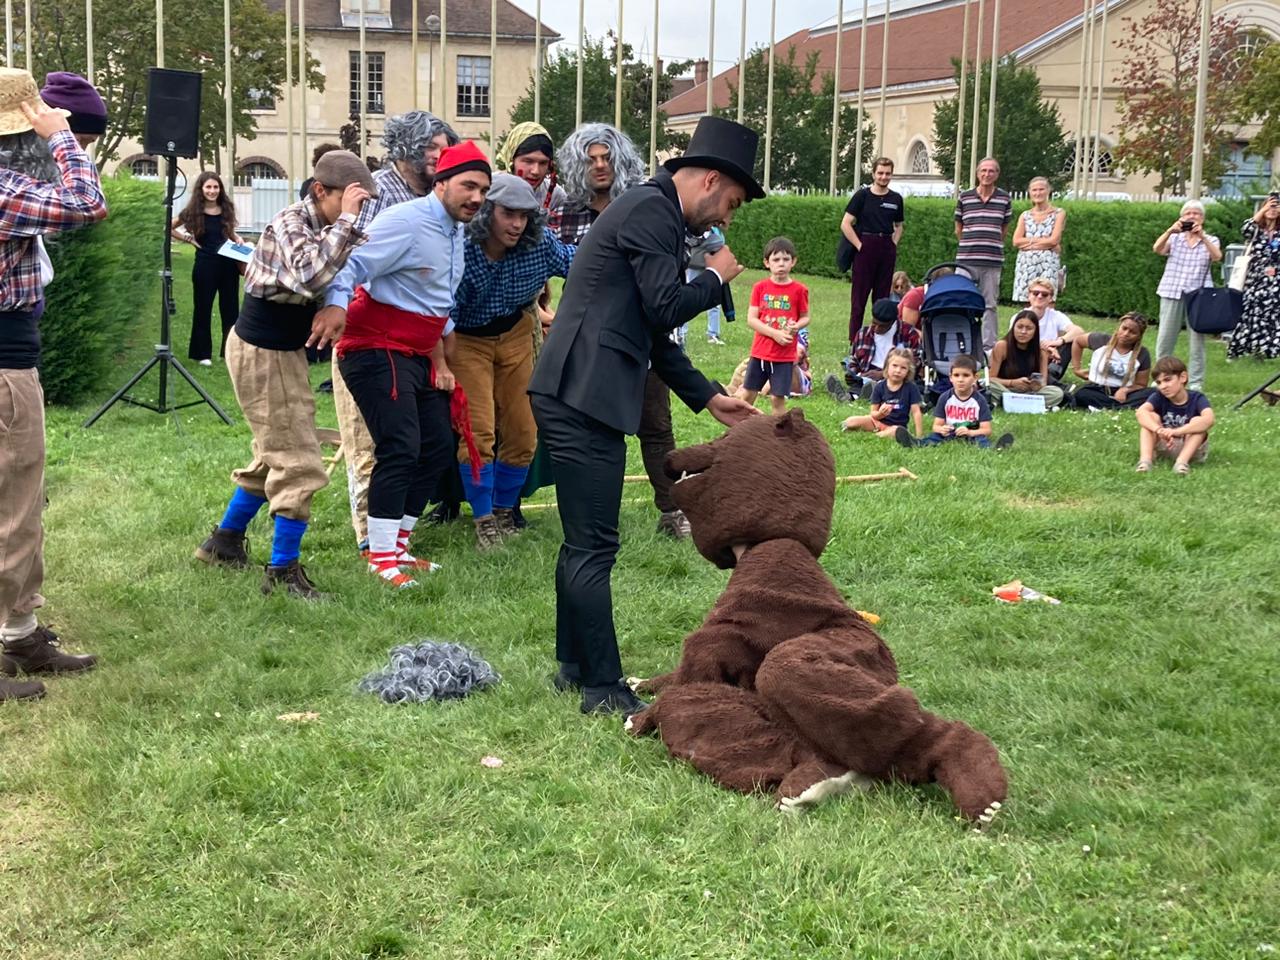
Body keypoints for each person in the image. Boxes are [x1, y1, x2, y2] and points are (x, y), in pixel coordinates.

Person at [527, 115, 761, 716]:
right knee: (594, 545)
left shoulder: (649, 209)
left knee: (583, 541)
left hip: (577, 389)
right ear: (710, 181)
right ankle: (603, 688)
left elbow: (650, 330)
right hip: (582, 393)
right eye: (732, 203)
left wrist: (707, 396)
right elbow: (665, 305)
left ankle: (575, 667)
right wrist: (715, 279)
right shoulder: (652, 211)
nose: (728, 219)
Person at [194, 150, 373, 599]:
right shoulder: (293, 222)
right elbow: (312, 275)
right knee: (297, 460)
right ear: (321, 190)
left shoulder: (326, 225)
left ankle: (224, 542)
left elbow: (345, 268)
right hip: (262, 350)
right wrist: (347, 222)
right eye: (349, 199)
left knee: (275, 449)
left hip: (281, 349)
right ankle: (282, 572)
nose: (356, 210)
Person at [317, 142, 492, 587]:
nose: (476, 197)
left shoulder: (455, 229)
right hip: (373, 345)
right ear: (441, 183)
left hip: (416, 351)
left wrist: (444, 338)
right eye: (468, 186)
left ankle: (398, 546)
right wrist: (335, 306)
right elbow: (350, 265)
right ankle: (379, 558)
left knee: (437, 446)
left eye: (483, 190)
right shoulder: (406, 221)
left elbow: (432, 296)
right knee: (400, 447)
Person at [0, 69, 108, 703]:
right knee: (11, 513)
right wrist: (61, 138)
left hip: (12, 362)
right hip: (4, 369)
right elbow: (86, 204)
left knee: (21, 504)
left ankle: (20, 634)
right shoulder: (4, 190)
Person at [548, 122, 689, 539]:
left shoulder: (643, 205)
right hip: (590, 342)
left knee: (656, 426)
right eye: (591, 159)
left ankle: (672, 510)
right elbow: (545, 264)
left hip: (647, 336)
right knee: (593, 430)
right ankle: (591, 515)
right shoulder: (565, 212)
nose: (599, 165)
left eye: (606, 157)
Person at [332, 111, 458, 554]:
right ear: (406, 147)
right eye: (431, 147)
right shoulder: (379, 191)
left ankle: (395, 539)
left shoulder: (443, 203)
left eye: (445, 149)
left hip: (417, 342)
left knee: (422, 441)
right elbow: (349, 262)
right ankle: (370, 539)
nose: (438, 156)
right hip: (369, 334)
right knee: (369, 441)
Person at [450, 173, 575, 549]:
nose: (517, 224)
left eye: (524, 215)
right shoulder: (460, 246)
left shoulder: (539, 243)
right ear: (487, 212)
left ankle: (504, 511)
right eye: (508, 214)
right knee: (478, 430)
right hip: (466, 338)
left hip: (517, 331)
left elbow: (579, 263)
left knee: (524, 429)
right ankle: (483, 518)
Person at [171, 172, 243, 366]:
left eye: (215, 187)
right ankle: (202, 354)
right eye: (208, 187)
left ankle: (230, 353)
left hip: (228, 265)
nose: (212, 191)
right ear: (201, 189)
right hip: (205, 265)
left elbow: (229, 232)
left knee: (231, 310)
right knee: (203, 308)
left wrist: (237, 238)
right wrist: (187, 238)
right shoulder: (192, 211)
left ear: (220, 189)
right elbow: (168, 227)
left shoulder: (226, 208)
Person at [1154, 200, 1221, 391]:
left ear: (1202, 218)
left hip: (1198, 296)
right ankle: (1162, 376)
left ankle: (1196, 381)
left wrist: (1202, 237)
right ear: (1182, 217)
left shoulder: (1211, 239)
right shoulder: (1175, 238)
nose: (1192, 216)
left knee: (1197, 340)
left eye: (1196, 213)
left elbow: (1217, 257)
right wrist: (1170, 231)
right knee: (1165, 337)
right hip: (1171, 290)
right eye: (1188, 213)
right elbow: (1157, 249)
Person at [742, 236, 810, 415]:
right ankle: (740, 427)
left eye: (786, 259)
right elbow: (752, 319)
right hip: (760, 352)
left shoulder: (799, 290)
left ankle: (777, 430)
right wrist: (774, 334)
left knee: (777, 399)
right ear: (767, 263)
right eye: (776, 259)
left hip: (784, 356)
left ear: (793, 262)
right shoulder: (760, 288)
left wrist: (796, 326)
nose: (781, 264)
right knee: (748, 394)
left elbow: (805, 317)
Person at [842, 157, 905, 340]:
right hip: (865, 247)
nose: (884, 177)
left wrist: (893, 243)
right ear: (873, 174)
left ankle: (880, 337)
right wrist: (859, 245)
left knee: (882, 299)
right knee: (859, 299)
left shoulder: (896, 198)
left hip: (886, 248)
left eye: (887, 173)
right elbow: (846, 223)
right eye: (880, 173)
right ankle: (855, 340)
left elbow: (899, 225)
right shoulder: (862, 196)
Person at [895, 354, 1013, 449]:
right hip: (950, 433)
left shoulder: (979, 400)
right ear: (950, 377)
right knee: (935, 437)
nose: (960, 380)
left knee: (981, 439)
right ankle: (915, 443)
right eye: (956, 375)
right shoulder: (945, 398)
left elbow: (987, 430)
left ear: (975, 378)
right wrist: (941, 429)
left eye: (966, 375)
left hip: (971, 434)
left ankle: (995, 448)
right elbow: (936, 426)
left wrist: (970, 432)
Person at [955, 157, 1012, 351]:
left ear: (997, 174)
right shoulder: (965, 197)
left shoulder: (1004, 199)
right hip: (966, 259)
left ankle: (988, 347)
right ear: (977, 173)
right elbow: (958, 228)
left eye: (991, 171)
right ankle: (962, 341)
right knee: (962, 302)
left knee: (990, 305)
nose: (987, 174)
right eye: (983, 170)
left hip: (992, 261)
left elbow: (1004, 229)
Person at [830, 297, 924, 401]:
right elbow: (854, 360)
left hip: (893, 377)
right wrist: (854, 374)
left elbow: (915, 364)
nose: (877, 328)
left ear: (893, 322)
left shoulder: (908, 334)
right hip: (866, 376)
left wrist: (884, 374)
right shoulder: (863, 333)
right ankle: (850, 395)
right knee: (861, 384)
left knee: (891, 386)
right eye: (874, 323)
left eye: (882, 326)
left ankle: (859, 395)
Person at [1134, 356, 1214, 475]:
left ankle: (1181, 463)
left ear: (1183, 377)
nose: (1163, 386)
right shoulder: (1158, 396)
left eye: (1167, 380)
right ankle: (1145, 462)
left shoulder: (1197, 398)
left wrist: (1176, 432)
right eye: (1159, 382)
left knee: (1198, 422)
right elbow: (1141, 412)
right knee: (1151, 418)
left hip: (1190, 448)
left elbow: (1209, 419)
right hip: (1164, 444)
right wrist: (1158, 429)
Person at [1226, 193, 1280, 361]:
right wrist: (1264, 209)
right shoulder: (1257, 230)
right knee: (1251, 312)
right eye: (1270, 206)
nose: (1272, 210)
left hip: (1276, 280)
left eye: (1276, 207)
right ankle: (1243, 349)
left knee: (1272, 314)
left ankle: (1267, 351)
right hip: (1255, 279)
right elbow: (1246, 229)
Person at [1066, 312, 1155, 410]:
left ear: (1139, 336)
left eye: (1132, 332)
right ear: (1119, 327)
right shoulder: (1101, 340)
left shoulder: (1142, 353)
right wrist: (1077, 369)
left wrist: (1124, 390)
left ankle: (1106, 406)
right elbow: (1078, 341)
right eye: (1124, 328)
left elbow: (1141, 384)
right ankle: (1118, 406)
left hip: (1125, 393)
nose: (1126, 334)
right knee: (1082, 393)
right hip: (1097, 389)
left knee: (1153, 393)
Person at [987, 309, 1065, 410]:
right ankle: (1024, 403)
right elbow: (990, 379)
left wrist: (1035, 385)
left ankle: (1012, 403)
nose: (1023, 332)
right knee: (989, 386)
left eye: (1029, 328)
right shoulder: (1002, 346)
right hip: (1006, 389)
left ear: (1035, 331)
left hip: (1029, 392)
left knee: (1057, 393)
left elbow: (1043, 383)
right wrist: (1013, 383)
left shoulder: (1041, 351)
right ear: (1013, 328)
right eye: (1019, 327)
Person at [840, 348, 924, 440]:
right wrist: (881, 414)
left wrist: (919, 436)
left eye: (903, 368)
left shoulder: (911, 388)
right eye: (894, 366)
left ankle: (877, 436)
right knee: (851, 422)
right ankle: (870, 430)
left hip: (896, 426)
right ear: (887, 366)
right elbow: (873, 413)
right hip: (876, 422)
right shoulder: (879, 387)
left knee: (896, 431)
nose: (898, 370)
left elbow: (916, 412)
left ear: (908, 371)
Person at [1011, 176, 1066, 301]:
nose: (1038, 193)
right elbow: (1016, 241)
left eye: (1041, 189)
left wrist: (1028, 242)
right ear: (1030, 192)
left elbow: (1054, 240)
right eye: (1034, 190)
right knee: (1027, 300)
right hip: (1026, 264)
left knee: (1048, 299)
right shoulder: (1025, 215)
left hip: (1048, 263)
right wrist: (1044, 242)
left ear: (1048, 191)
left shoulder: (1058, 213)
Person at [496, 121, 565, 214]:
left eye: (543, 163)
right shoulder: (492, 191)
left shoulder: (556, 196)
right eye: (528, 161)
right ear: (512, 159)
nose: (536, 171)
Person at [1023, 275, 1082, 380]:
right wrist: (1045, 349)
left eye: (1045, 294)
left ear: (1050, 298)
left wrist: (1059, 341)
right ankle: (1049, 380)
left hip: (1052, 361)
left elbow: (1079, 331)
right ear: (1029, 296)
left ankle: (1051, 376)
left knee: (1071, 341)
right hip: (1028, 360)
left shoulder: (1055, 316)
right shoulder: (1020, 317)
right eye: (1035, 293)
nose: (1039, 296)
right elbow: (1016, 343)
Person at [685, 228, 726, 345]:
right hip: (694, 265)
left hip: (711, 265)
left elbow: (720, 243)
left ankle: (713, 334)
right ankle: (681, 333)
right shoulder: (692, 227)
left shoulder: (714, 230)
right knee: (687, 299)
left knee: (715, 302)